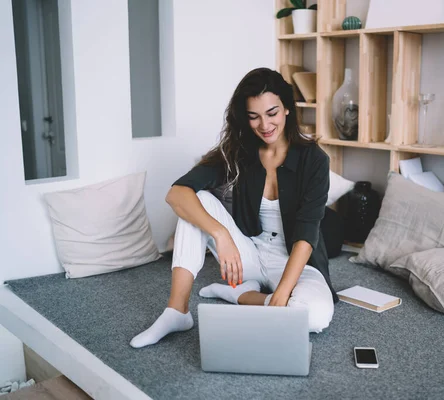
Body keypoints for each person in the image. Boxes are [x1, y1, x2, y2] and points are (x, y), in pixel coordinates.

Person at [130, 68, 337, 348]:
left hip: (297, 265)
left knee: (314, 317)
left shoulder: (314, 160)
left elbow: (306, 234)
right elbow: (176, 194)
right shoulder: (238, 152)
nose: (264, 125)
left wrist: (281, 296)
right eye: (254, 117)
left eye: (272, 113)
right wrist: (221, 235)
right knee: (197, 200)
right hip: (249, 254)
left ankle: (241, 295)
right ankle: (177, 312)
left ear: (287, 108)